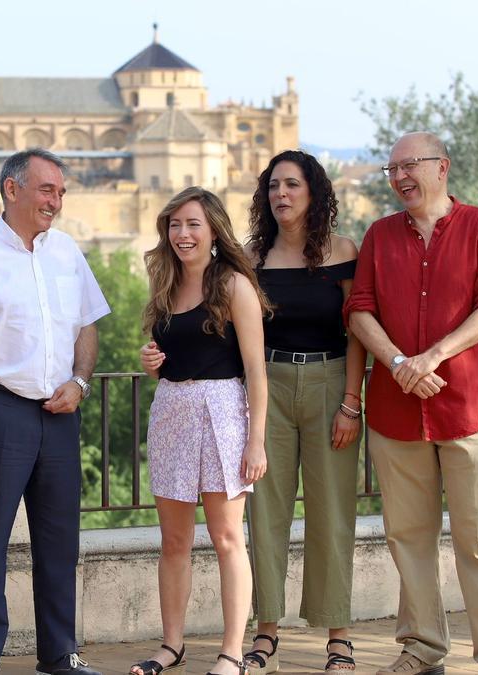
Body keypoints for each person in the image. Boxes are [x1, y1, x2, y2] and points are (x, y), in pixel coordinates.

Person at [343, 132, 478, 675]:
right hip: (397, 413)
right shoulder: (378, 235)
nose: (399, 177)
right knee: (408, 537)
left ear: (441, 167)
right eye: (391, 169)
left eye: (409, 166)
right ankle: (422, 649)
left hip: (468, 408)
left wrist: (433, 357)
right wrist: (401, 364)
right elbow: (358, 312)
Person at [0, 148, 111, 675]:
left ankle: (60, 654)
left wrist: (81, 381)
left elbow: (88, 324)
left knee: (60, 539)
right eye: (47, 190)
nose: (56, 200)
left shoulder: (68, 251)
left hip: (60, 412)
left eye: (60, 192)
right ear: (12, 190)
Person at [136, 186, 269, 675]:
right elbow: (169, 359)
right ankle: (171, 646)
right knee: (173, 542)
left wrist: (255, 440)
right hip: (172, 410)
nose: (183, 234)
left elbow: (255, 370)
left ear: (214, 229)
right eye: (175, 225)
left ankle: (232, 653)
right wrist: (152, 363)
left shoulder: (234, 284)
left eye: (193, 224)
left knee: (227, 538)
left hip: (224, 413)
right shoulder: (166, 287)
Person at [242, 150, 365, 674]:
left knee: (332, 513)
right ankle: (265, 632)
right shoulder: (250, 257)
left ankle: (338, 637)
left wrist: (351, 403)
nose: (281, 194)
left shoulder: (342, 251)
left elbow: (358, 328)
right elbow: (229, 330)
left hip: (330, 382)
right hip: (267, 387)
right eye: (273, 186)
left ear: (314, 193)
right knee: (264, 513)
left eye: (292, 185)